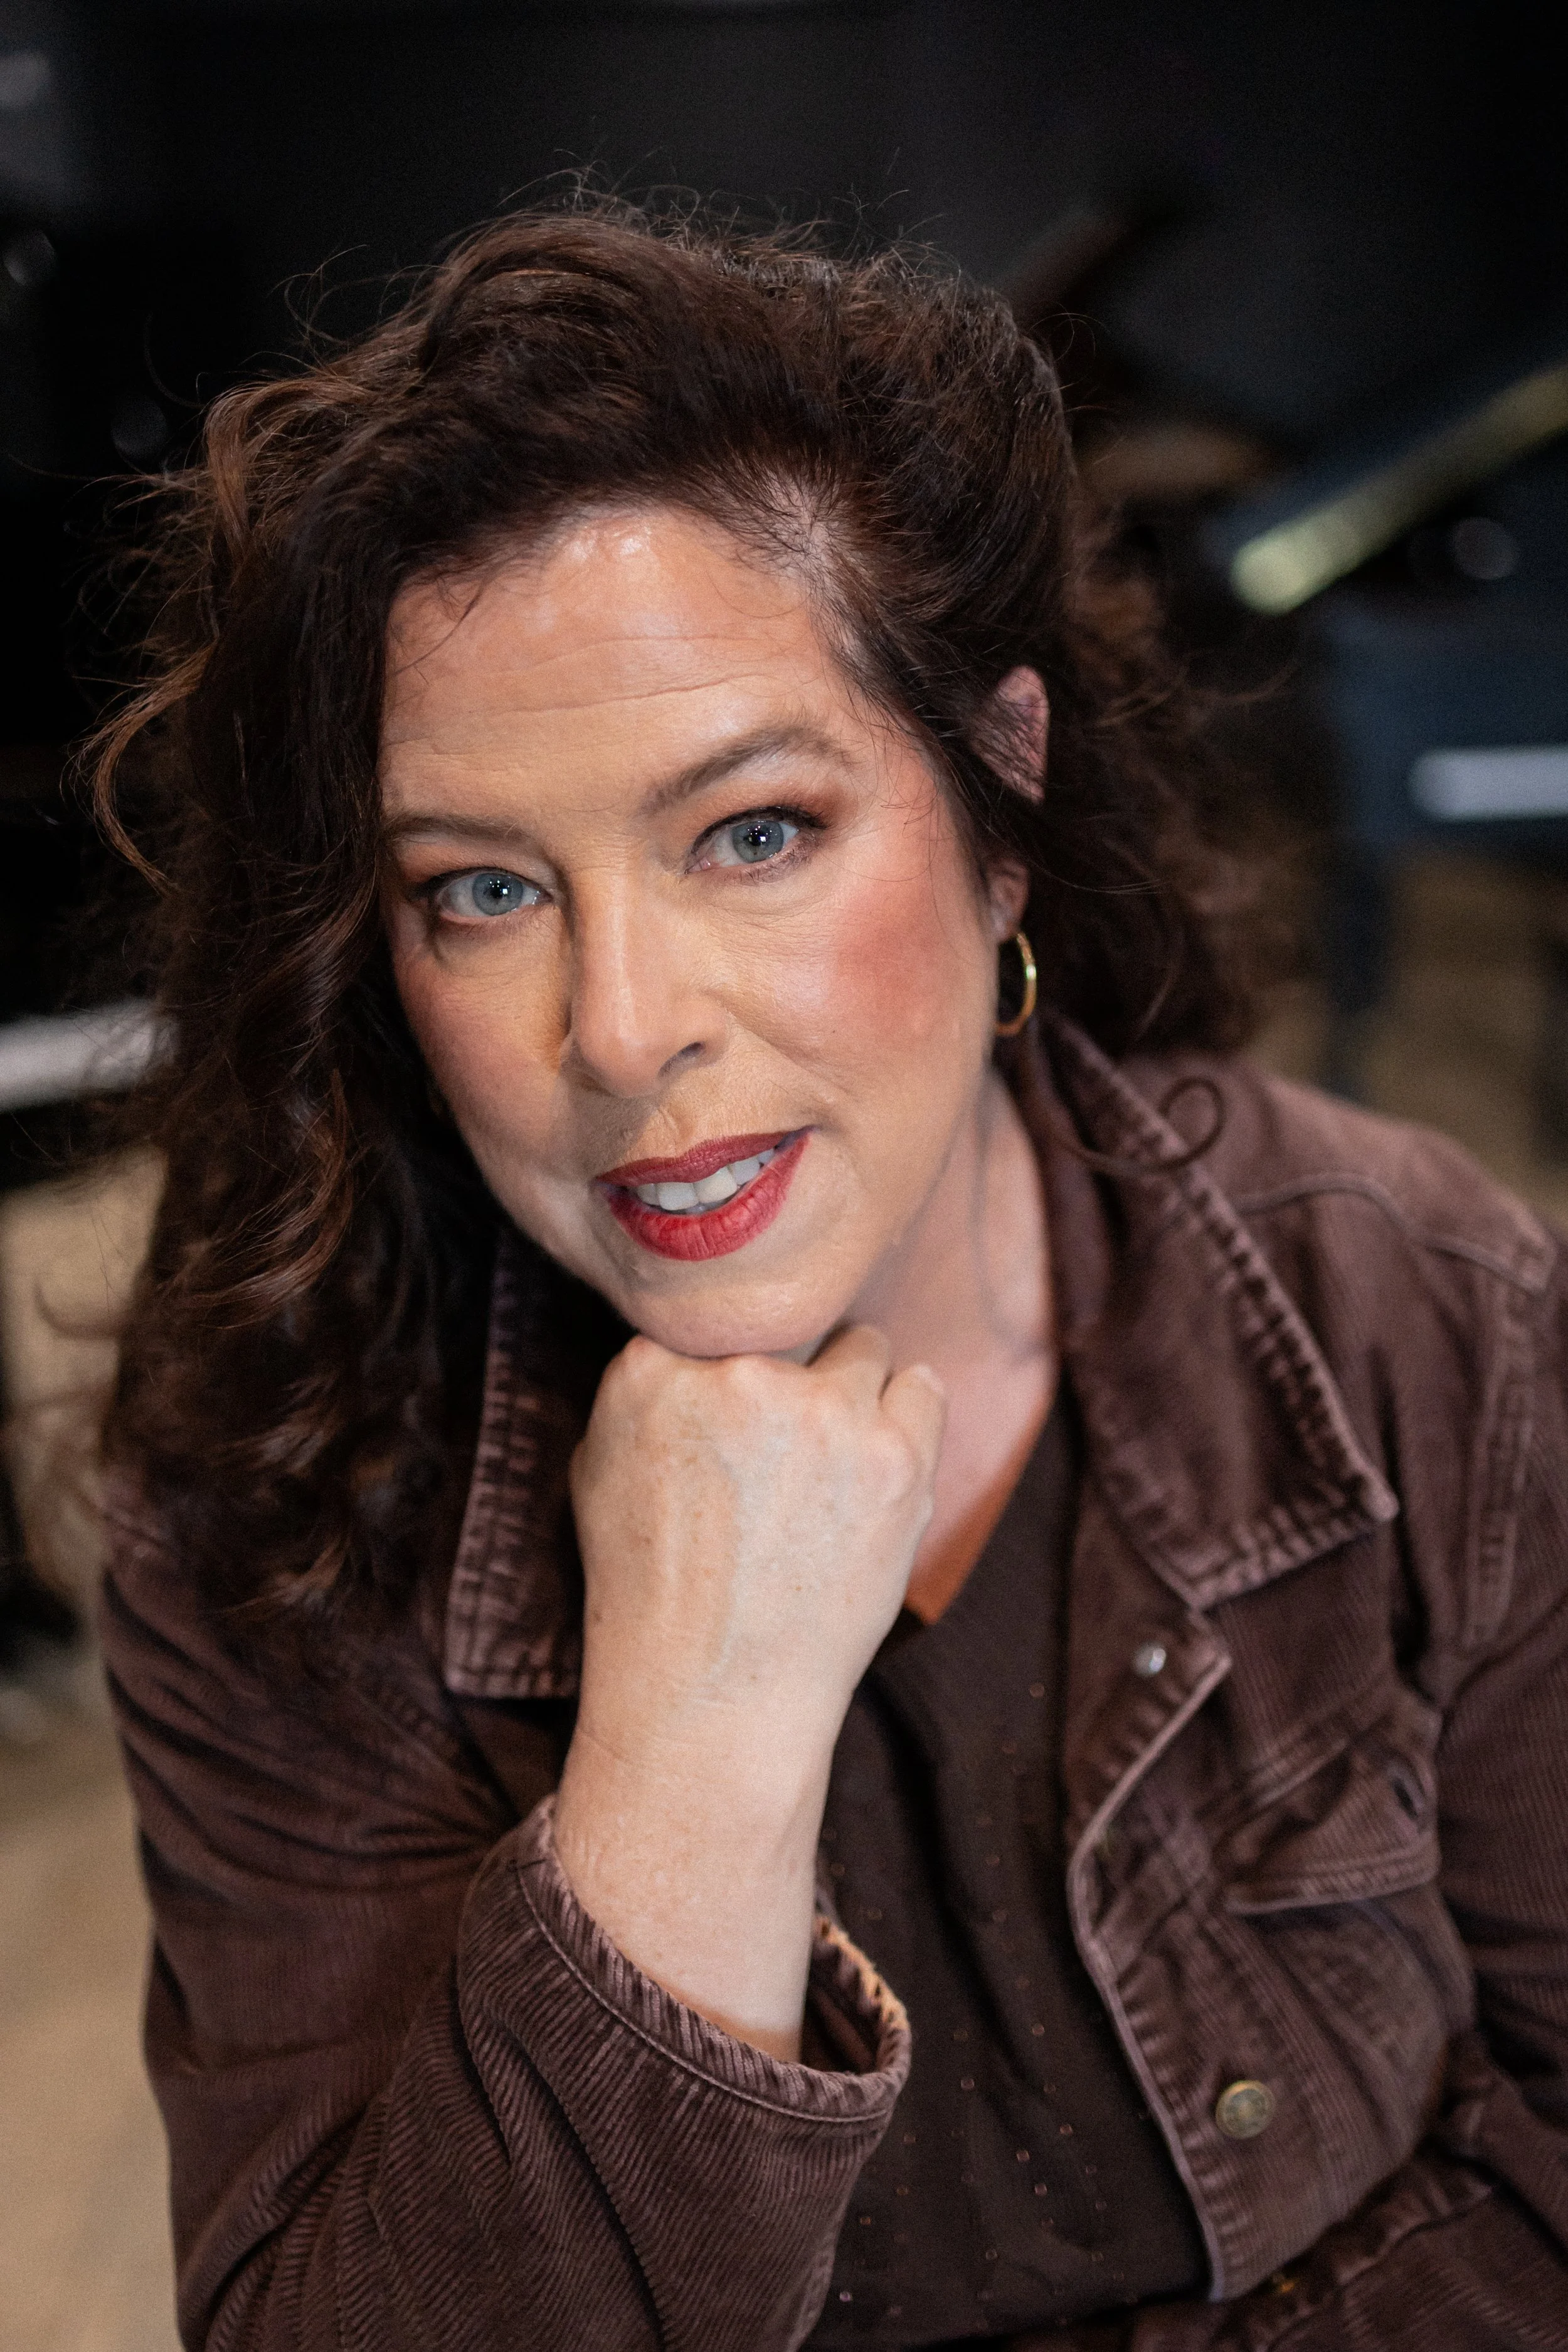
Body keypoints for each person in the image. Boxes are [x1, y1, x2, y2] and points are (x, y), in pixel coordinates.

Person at [94, 201, 1568, 2351]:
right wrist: (690, 1764)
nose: (616, 1029)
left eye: (752, 831)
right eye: (483, 888)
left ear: (998, 795)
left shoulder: (1420, 1311)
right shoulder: (273, 1499)